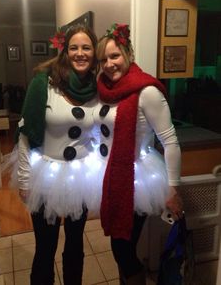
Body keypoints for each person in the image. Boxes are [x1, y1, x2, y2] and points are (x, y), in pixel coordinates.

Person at [95, 23, 183, 285]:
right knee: (120, 246)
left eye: (115, 56)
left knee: (122, 250)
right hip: (112, 173)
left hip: (137, 176)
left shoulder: (147, 91)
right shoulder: (105, 90)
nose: (109, 64)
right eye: (103, 59)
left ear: (127, 53)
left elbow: (170, 141)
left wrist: (173, 188)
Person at [15, 24, 100, 285]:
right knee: (45, 247)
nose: (80, 53)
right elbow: (26, 133)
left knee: (75, 244)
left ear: (94, 52)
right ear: (65, 51)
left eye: (86, 47)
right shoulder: (44, 83)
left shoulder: (98, 89)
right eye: (74, 47)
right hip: (46, 176)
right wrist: (24, 178)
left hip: (80, 178)